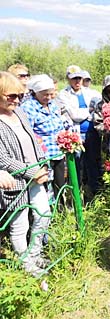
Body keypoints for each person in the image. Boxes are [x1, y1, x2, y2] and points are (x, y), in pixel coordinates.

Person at [0, 71, 51, 276]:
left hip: (35, 173)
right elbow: (2, 158)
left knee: (43, 213)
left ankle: (35, 253)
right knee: (19, 223)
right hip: (16, 180)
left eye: (19, 95)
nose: (16, 100)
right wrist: (32, 172)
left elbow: (33, 139)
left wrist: (42, 164)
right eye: (11, 96)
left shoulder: (19, 113)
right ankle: (26, 264)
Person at [55, 65, 101, 193]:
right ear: (68, 79)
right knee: (76, 165)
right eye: (74, 79)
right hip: (75, 135)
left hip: (91, 134)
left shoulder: (90, 92)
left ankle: (94, 190)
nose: (77, 81)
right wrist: (89, 113)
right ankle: (77, 192)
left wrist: (82, 113)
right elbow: (75, 115)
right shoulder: (63, 95)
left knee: (92, 163)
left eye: (79, 78)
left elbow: (99, 105)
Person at [21, 74, 66, 201]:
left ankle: (61, 209)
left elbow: (60, 124)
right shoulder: (28, 107)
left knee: (60, 182)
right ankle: (48, 211)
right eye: (45, 94)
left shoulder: (52, 105)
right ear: (36, 92)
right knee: (45, 183)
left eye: (51, 94)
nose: (49, 97)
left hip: (58, 150)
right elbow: (28, 132)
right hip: (42, 153)